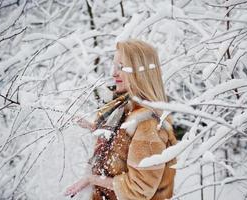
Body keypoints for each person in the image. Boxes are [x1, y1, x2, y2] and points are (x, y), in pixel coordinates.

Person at [64, 39, 177, 200]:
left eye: (121, 67)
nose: (113, 73)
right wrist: (92, 127)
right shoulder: (124, 109)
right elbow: (123, 143)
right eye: (115, 66)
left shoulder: (147, 122)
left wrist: (92, 179)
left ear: (140, 72)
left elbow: (139, 190)